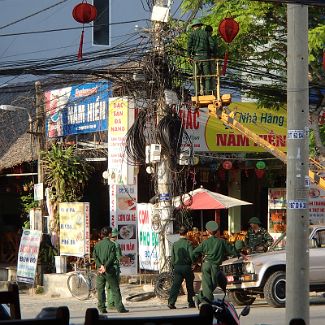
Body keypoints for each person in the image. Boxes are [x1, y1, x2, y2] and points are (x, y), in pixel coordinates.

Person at [192, 221, 243, 305]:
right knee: (213, 284)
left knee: (207, 285)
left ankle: (200, 298)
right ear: (217, 231)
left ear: (208, 231)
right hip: (215, 266)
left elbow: (194, 252)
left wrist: (195, 261)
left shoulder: (205, 242)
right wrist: (239, 253)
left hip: (206, 264)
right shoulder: (222, 241)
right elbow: (231, 250)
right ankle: (206, 302)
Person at [92, 226, 128, 314]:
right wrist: (105, 266)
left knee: (100, 289)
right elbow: (112, 257)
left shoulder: (97, 244)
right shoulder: (112, 244)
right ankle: (120, 308)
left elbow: (95, 257)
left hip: (100, 271)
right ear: (109, 234)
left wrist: (100, 266)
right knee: (115, 289)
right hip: (109, 270)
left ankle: (102, 308)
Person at [167, 226, 196, 309]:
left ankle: (171, 302)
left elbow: (172, 257)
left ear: (179, 233)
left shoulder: (175, 244)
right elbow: (191, 255)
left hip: (177, 267)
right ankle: (191, 302)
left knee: (175, 285)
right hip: (186, 267)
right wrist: (193, 263)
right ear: (186, 233)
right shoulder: (188, 243)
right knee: (189, 285)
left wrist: (173, 266)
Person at [187, 19, 212, 95]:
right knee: (207, 77)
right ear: (200, 26)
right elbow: (212, 45)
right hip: (205, 57)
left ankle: (197, 94)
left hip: (196, 58)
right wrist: (211, 54)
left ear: (194, 27)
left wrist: (188, 56)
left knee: (196, 77)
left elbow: (189, 46)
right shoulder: (206, 33)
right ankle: (207, 93)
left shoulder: (192, 34)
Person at [106, 228, 122, 309]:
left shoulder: (105, 244)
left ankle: (109, 303)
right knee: (114, 286)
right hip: (114, 267)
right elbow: (119, 257)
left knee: (108, 286)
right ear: (116, 236)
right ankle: (113, 303)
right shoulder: (116, 244)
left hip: (105, 267)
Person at [205, 25, 218, 94]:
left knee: (204, 76)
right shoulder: (210, 38)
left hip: (203, 59)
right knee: (212, 75)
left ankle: (205, 91)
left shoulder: (202, 39)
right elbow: (213, 46)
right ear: (211, 32)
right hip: (210, 59)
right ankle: (213, 91)